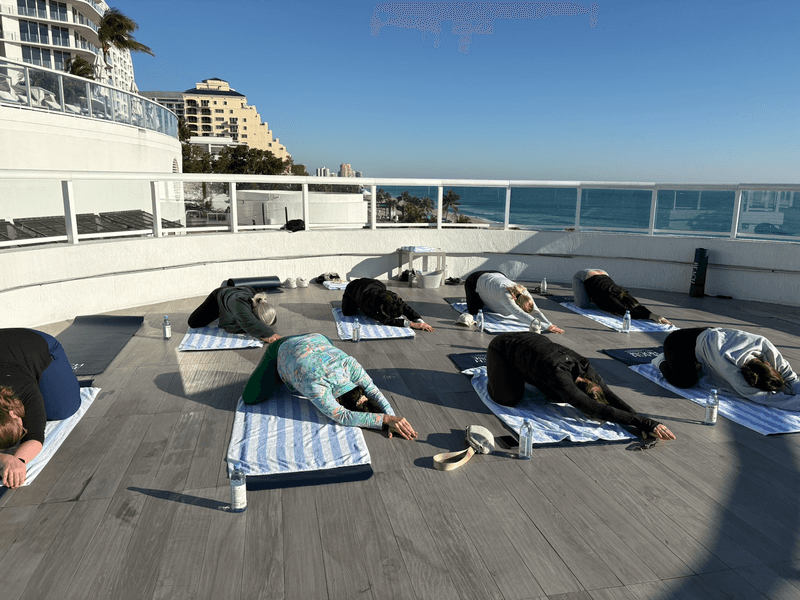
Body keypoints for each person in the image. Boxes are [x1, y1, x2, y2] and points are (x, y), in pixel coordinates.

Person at [487, 332, 675, 440]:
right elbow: (596, 408)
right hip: (502, 347)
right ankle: (496, 373)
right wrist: (642, 422)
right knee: (507, 399)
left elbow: (609, 397)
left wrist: (643, 421)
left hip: (535, 342)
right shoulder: (560, 378)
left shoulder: (588, 371)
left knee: (553, 394)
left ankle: (523, 370)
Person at [241, 333, 417, 439]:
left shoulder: (350, 365)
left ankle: (289, 368)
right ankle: (280, 371)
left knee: (309, 361)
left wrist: (392, 419)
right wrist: (386, 419)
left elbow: (372, 391)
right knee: (250, 397)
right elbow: (343, 416)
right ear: (337, 399)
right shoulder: (317, 385)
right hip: (280, 347)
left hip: (319, 338)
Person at [1, 328, 82, 488]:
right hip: (8, 352)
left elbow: (35, 436)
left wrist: (19, 461)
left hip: (34, 343)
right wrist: (4, 459)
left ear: (13, 412)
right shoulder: (15, 400)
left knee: (62, 409)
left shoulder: (24, 389)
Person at [656, 327, 800, 410]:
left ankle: (700, 363)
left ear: (768, 364)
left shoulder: (764, 345)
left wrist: (790, 387)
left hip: (710, 336)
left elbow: (792, 379)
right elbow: (765, 398)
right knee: (685, 381)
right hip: (678, 343)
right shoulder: (731, 371)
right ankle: (660, 360)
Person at [464, 270, 564, 333]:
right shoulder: (506, 296)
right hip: (474, 280)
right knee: (474, 311)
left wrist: (549, 324)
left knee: (502, 308)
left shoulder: (524, 291)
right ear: (517, 302)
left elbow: (536, 311)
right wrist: (544, 326)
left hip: (498, 274)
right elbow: (519, 314)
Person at [572, 269, 671, 325]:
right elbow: (624, 311)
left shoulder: (623, 293)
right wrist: (651, 316)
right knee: (582, 305)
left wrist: (653, 315)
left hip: (600, 273)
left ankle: (590, 294)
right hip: (582, 275)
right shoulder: (612, 298)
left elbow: (637, 306)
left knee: (595, 297)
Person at [188, 285, 280, 343]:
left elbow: (270, 319)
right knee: (194, 322)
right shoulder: (239, 303)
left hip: (247, 289)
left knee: (270, 321)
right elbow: (247, 321)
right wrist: (269, 334)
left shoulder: (260, 303)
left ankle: (230, 311)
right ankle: (224, 310)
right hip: (221, 296)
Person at [342, 278, 434, 332]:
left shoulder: (392, 297)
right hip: (354, 287)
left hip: (375, 284)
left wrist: (419, 320)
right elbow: (385, 320)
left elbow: (405, 307)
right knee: (348, 312)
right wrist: (412, 324)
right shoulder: (366, 304)